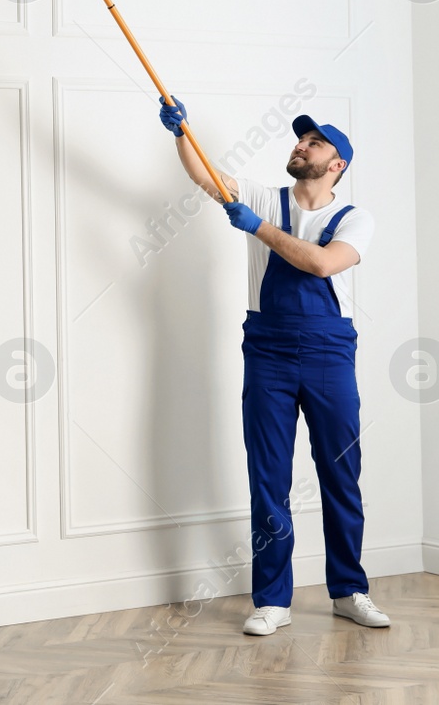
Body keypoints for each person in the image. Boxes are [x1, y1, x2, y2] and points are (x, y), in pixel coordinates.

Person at [159, 96, 391, 636]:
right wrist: (180, 133)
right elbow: (208, 177)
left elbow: (321, 263)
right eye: (300, 138)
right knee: (269, 478)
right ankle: (272, 599)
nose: (301, 144)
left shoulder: (353, 218)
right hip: (267, 349)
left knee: (340, 473)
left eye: (314, 142)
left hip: (329, 350)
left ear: (337, 164)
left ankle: (349, 590)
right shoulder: (266, 195)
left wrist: (258, 228)